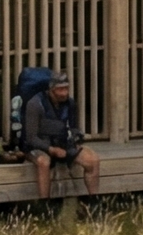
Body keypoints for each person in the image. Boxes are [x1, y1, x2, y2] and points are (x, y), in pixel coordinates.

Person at [26, 72, 100, 200]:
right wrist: (51, 149)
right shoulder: (35, 104)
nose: (64, 93)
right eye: (60, 89)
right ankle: (45, 204)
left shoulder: (70, 103)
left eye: (66, 89)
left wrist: (76, 137)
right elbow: (31, 138)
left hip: (62, 143)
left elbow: (73, 127)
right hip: (40, 144)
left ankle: (93, 202)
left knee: (93, 160)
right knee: (43, 162)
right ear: (51, 89)